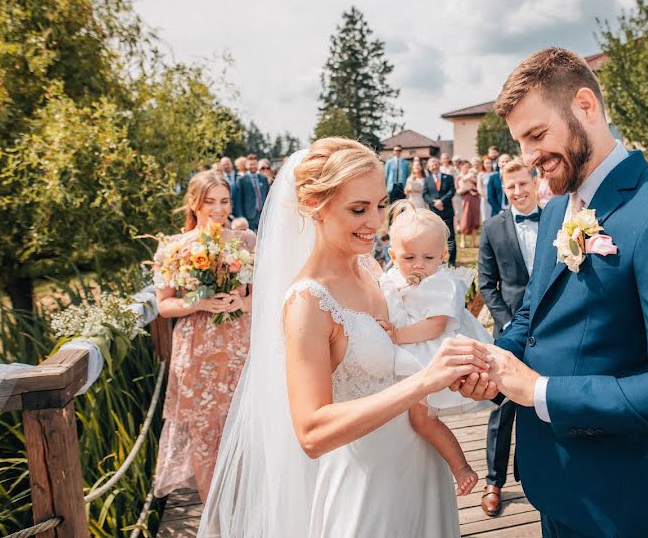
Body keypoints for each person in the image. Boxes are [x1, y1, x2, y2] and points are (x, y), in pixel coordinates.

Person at [456, 47, 648, 536]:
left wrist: (538, 391)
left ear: (586, 106)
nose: (529, 158)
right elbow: (535, 314)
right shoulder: (558, 209)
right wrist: (492, 363)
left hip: (624, 504)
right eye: (521, 143)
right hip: (552, 484)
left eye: (537, 135)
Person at [199, 138, 489, 537]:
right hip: (368, 482)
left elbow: (406, 345)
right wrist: (425, 380)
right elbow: (312, 432)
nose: (376, 222)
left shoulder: (371, 268)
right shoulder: (308, 301)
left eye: (381, 204)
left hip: (421, 461)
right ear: (314, 207)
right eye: (358, 209)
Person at [376, 201, 494, 497]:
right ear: (392, 256)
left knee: (422, 419)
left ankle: (461, 467)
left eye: (429, 257)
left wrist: (397, 335)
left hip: (430, 359)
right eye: (409, 257)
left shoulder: (442, 283)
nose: (418, 264)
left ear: (443, 255)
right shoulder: (390, 279)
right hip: (406, 355)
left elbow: (436, 326)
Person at [152, 172, 254, 502]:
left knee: (246, 428)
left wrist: (242, 301)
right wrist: (199, 301)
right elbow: (164, 305)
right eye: (210, 202)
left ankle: (249, 510)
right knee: (205, 433)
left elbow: (268, 294)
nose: (218, 209)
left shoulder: (247, 242)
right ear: (194, 204)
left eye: (224, 201)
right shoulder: (172, 248)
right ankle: (213, 516)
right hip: (196, 350)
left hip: (241, 346)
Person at [476, 159, 541, 517]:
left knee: (547, 403)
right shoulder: (492, 227)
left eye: (523, 184)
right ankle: (493, 480)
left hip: (551, 330)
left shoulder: (556, 221)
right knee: (503, 410)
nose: (518, 192)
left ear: (534, 182)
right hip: (510, 331)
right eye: (511, 187)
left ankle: (547, 476)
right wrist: (509, 322)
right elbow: (487, 283)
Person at [422, 157, 457, 265]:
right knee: (436, 236)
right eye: (431, 164)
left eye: (436, 163)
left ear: (439, 165)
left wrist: (442, 201)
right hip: (434, 212)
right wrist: (434, 203)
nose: (434, 165)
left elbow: (452, 191)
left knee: (450, 236)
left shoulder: (449, 177)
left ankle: (451, 260)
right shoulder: (427, 180)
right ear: (429, 167)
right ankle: (439, 259)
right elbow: (425, 194)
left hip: (446, 210)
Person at [235, 163, 271, 231]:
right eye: (250, 164)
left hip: (262, 213)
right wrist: (241, 216)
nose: (253, 166)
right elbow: (239, 200)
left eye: (254, 164)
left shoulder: (263, 178)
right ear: (247, 165)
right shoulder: (242, 180)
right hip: (249, 214)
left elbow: (267, 196)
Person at [456, 159, 481, 248]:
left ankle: (474, 242)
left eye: (468, 167)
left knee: (475, 218)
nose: (467, 168)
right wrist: (465, 189)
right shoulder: (459, 177)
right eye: (465, 167)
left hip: (475, 198)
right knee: (466, 218)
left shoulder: (473, 175)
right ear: (461, 167)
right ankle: (463, 240)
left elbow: (478, 185)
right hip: (465, 199)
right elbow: (457, 190)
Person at [478, 157, 495, 222]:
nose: (488, 165)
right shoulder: (481, 175)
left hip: (495, 199)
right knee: (486, 218)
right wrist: (486, 197)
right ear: (483, 164)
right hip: (485, 199)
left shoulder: (495, 174)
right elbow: (479, 188)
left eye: (490, 163)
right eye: (486, 163)